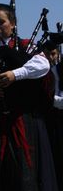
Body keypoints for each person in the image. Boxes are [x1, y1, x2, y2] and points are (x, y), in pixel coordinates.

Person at [0, 3, 58, 190]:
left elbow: (43, 66)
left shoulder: (27, 46)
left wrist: (15, 74)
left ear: (13, 23)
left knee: (25, 169)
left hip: (24, 119)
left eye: (1, 22)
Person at [42, 40, 63, 191]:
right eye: (48, 53)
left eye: (53, 53)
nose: (50, 57)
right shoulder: (47, 72)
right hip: (52, 120)